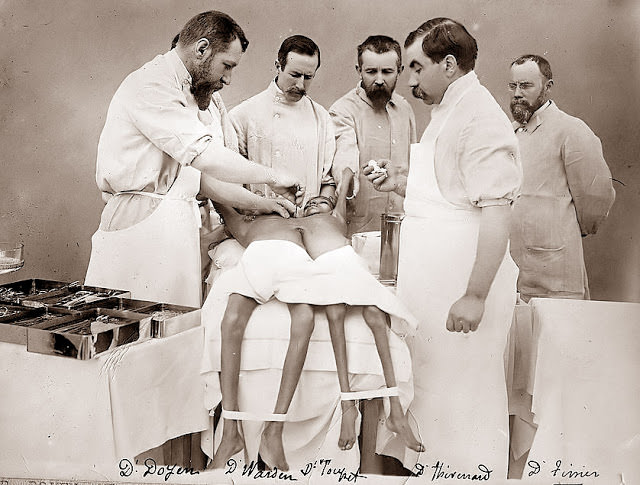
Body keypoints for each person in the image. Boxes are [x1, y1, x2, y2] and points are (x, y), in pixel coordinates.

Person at [364, 18, 521, 478]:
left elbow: (496, 212)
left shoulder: (481, 118)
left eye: (416, 67)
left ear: (449, 65)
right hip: (432, 289)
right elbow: (453, 192)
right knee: (431, 398)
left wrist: (475, 295)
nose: (408, 80)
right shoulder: (450, 110)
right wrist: (400, 181)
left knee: (464, 403)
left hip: (461, 288)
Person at [208, 169, 423, 471]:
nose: (311, 204)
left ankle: (277, 426)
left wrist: (337, 182)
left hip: (305, 258)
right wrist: (256, 202)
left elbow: (345, 181)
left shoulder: (330, 220)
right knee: (232, 318)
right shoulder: (259, 221)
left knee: (311, 315)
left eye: (320, 201)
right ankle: (231, 431)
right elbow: (221, 204)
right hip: (270, 249)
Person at [85, 11, 303, 308]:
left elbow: (202, 180)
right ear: (201, 49)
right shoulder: (150, 85)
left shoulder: (199, 95)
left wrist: (264, 203)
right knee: (124, 333)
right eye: (227, 66)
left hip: (177, 225)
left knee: (173, 336)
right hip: (138, 226)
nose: (228, 78)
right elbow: (204, 155)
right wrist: (274, 176)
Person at [508, 54, 615, 302]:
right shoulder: (510, 132)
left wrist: (556, 229)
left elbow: (596, 198)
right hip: (515, 271)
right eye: (512, 86)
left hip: (556, 272)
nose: (516, 93)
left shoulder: (571, 130)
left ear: (548, 87)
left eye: (526, 86)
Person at [229, 35, 336, 210]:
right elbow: (231, 180)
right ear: (278, 66)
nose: (300, 85)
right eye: (295, 75)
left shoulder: (321, 117)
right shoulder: (243, 115)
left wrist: (322, 208)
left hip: (308, 221)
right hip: (260, 220)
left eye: (308, 77)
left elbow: (328, 181)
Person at [329, 35, 416, 236]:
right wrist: (348, 182)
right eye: (371, 72)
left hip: (405, 226)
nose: (379, 80)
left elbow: (413, 164)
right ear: (359, 71)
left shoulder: (404, 108)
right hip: (360, 230)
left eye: (387, 72)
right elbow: (344, 156)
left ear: (400, 71)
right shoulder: (343, 110)